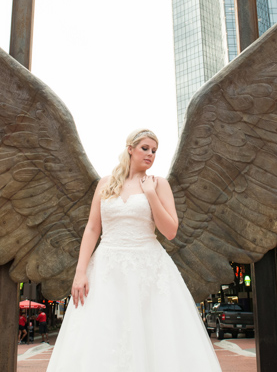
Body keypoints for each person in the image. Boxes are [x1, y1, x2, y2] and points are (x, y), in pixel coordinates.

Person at [46, 129, 222, 371]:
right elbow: (92, 228)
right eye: (145, 148)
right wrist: (80, 271)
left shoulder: (159, 184)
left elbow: (170, 231)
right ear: (130, 148)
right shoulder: (105, 184)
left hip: (149, 268)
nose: (150, 154)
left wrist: (150, 194)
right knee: (104, 332)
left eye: (154, 151)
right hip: (107, 268)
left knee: (152, 334)